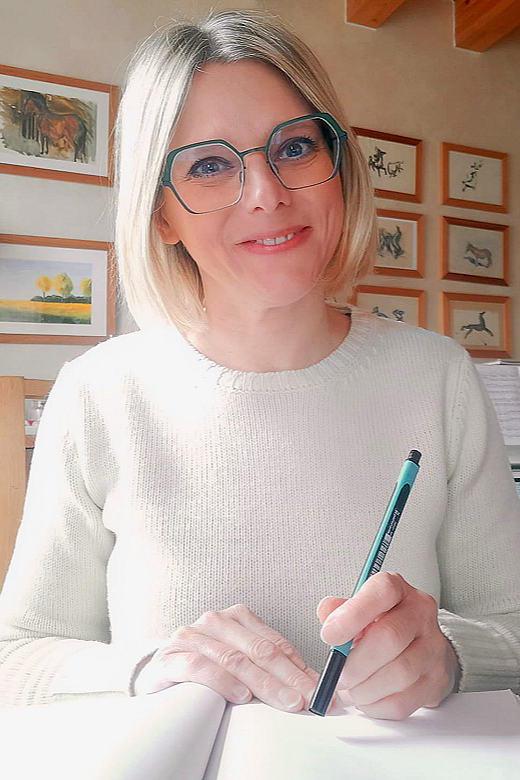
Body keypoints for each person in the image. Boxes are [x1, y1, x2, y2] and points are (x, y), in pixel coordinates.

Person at [1, 9, 520, 721]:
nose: (267, 194)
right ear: (160, 213)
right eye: (209, 165)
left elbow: (512, 627)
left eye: (295, 147)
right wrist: (150, 667)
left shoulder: (439, 377)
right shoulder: (97, 393)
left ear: (339, 169)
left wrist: (450, 657)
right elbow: (18, 656)